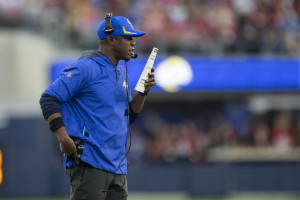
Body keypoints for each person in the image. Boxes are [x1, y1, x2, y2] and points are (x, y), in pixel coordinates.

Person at [39, 13, 156, 200]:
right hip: (90, 163)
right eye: (128, 38)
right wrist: (64, 139)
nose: (133, 43)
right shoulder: (85, 68)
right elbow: (48, 98)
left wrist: (143, 92)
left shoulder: (120, 70)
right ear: (110, 39)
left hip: (117, 166)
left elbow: (128, 118)